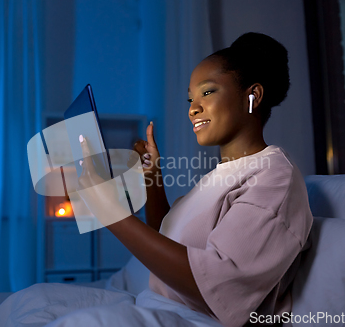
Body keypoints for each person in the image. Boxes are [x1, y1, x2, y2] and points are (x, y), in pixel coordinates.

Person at [77, 32, 313, 327]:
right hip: (158, 306)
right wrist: (152, 180)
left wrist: (110, 211)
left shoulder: (274, 178)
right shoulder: (221, 175)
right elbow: (169, 243)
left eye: (208, 92)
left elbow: (216, 285)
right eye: (190, 98)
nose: (193, 108)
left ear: (253, 96)